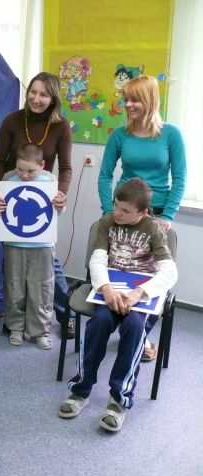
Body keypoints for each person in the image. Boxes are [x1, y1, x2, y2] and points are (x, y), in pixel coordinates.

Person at [59, 178, 177, 432]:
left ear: (142, 212)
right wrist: (105, 288)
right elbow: (97, 260)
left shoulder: (153, 229)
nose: (117, 213)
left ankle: (119, 400)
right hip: (111, 289)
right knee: (99, 322)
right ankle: (81, 390)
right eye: (116, 206)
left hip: (140, 295)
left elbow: (170, 272)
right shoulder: (107, 222)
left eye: (125, 210)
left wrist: (138, 293)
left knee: (134, 327)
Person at [98, 75, 186, 362]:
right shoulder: (119, 135)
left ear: (150, 100)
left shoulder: (171, 135)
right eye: (125, 99)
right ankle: (126, 328)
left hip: (156, 214)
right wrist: (108, 210)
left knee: (151, 277)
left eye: (134, 99)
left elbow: (180, 178)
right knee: (119, 269)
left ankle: (140, 333)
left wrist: (168, 214)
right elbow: (105, 175)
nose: (128, 105)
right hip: (124, 213)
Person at [0, 72, 74, 337]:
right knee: (13, 263)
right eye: (33, 92)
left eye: (43, 95)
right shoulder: (12, 121)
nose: (36, 99)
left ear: (53, 98)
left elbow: (66, 168)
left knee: (49, 264)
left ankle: (66, 314)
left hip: (43, 200)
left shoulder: (61, 126)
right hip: (11, 199)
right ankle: (14, 319)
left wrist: (61, 194)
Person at [0, 143, 64, 349]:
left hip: (42, 244)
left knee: (42, 288)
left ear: (42, 165)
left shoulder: (50, 180)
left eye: (30, 171)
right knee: (14, 286)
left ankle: (39, 330)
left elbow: (56, 212)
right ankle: (15, 327)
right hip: (14, 244)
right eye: (20, 169)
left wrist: (61, 204)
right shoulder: (8, 179)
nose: (24, 175)